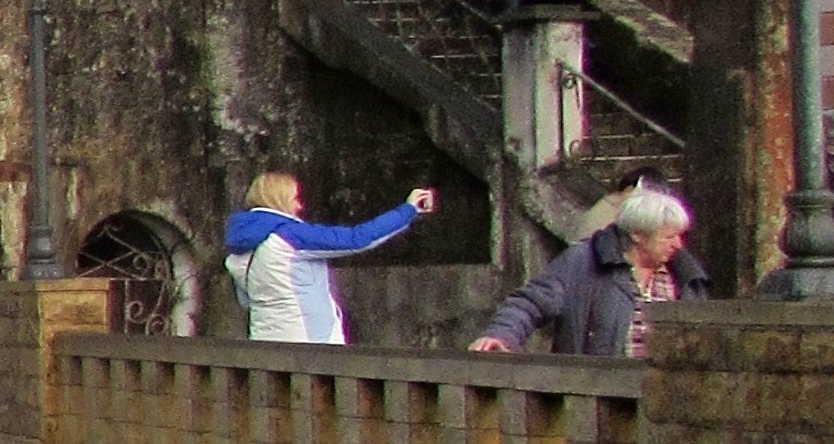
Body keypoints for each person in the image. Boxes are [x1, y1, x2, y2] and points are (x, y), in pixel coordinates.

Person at [470, 186, 705, 359]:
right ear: (637, 235)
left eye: (680, 235)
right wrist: (500, 335)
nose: (678, 245)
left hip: (664, 403)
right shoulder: (584, 261)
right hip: (596, 400)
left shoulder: (686, 276)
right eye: (668, 236)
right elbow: (530, 304)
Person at [223, 171, 437, 344]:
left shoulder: (238, 249)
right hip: (309, 344)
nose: (300, 206)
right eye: (295, 198)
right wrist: (408, 210)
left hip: (264, 343)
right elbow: (358, 239)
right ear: (279, 199)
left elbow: (246, 301)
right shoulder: (290, 236)